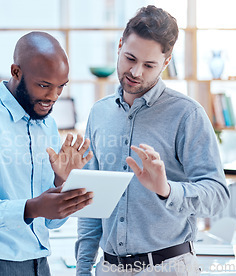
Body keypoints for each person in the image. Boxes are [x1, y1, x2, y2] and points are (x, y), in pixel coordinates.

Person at [75, 5, 230, 275]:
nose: (135, 72)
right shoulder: (99, 113)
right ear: (120, 45)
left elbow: (217, 196)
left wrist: (166, 189)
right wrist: (82, 267)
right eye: (129, 58)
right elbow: (90, 202)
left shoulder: (187, 114)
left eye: (149, 65)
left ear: (166, 62)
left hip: (168, 267)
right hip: (108, 268)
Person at [0, 31, 94, 275]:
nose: (53, 97)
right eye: (44, 85)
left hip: (39, 264)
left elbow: (49, 222)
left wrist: (63, 184)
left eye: (60, 87)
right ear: (16, 72)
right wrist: (31, 208)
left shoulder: (46, 124)